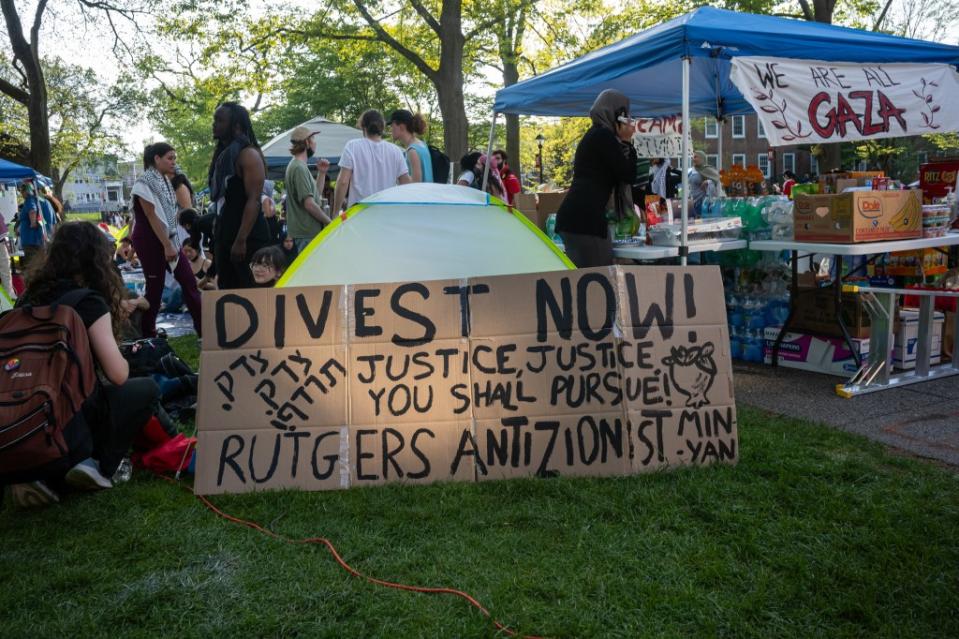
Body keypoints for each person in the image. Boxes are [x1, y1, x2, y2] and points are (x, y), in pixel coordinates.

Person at [12, 221, 163, 505]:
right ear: (96, 260)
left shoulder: (26, 300)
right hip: (68, 419)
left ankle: (36, 472)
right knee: (145, 390)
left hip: (20, 418)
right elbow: (118, 375)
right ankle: (97, 464)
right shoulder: (88, 302)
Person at [554, 89, 637, 268]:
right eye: (625, 115)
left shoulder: (594, 135)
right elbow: (628, 174)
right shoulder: (604, 137)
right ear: (616, 115)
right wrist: (627, 141)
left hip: (576, 218)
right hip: (586, 221)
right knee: (600, 277)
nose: (629, 120)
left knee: (585, 278)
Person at [130, 143, 202, 338]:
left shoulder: (165, 182)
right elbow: (151, 215)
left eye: (174, 158)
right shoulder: (143, 183)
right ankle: (148, 334)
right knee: (155, 288)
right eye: (170, 158)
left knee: (189, 281)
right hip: (151, 241)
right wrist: (167, 245)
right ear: (156, 159)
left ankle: (204, 330)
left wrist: (171, 243)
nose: (174, 162)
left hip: (168, 240)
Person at [207, 102, 272, 289]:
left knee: (251, 292)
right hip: (226, 235)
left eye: (220, 120)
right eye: (215, 119)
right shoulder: (224, 155)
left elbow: (254, 200)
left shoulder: (248, 155)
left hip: (247, 239)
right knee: (228, 292)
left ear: (236, 126)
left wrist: (241, 239)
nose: (214, 124)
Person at [332, 110, 410, 214]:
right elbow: (406, 185)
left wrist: (335, 212)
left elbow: (343, 182)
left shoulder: (352, 146)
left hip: (360, 214)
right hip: (387, 213)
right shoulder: (396, 151)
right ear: (382, 127)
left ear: (363, 126)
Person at [285, 126, 331, 253]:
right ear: (306, 142)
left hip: (306, 234)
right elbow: (309, 204)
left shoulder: (298, 165)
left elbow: (315, 195)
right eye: (313, 138)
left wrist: (321, 173)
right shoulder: (299, 168)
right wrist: (330, 223)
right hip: (306, 235)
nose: (315, 142)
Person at [388, 109, 433, 183]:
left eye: (392, 126)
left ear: (401, 127)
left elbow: (415, 185)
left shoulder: (412, 151)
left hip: (419, 194)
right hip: (427, 193)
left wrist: (398, 173)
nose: (391, 129)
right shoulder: (422, 144)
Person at [17, 183, 45, 273]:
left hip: (30, 239)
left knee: (31, 265)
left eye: (22, 191)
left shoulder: (29, 200)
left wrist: (32, 223)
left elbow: (32, 210)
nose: (21, 193)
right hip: (33, 239)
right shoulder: (34, 199)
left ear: (26, 191)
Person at [262, 180, 282, 245]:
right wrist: (274, 212)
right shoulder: (265, 198)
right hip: (269, 224)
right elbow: (268, 214)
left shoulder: (262, 197)